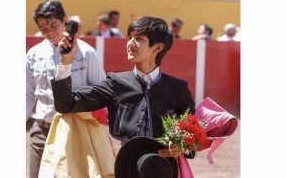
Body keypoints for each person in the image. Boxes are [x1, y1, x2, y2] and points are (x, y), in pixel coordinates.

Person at [51, 16, 196, 160]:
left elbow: (196, 134)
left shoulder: (178, 88)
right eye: (129, 38)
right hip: (127, 166)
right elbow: (65, 104)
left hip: (165, 169)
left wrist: (182, 146)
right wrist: (66, 61)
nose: (130, 44)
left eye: (139, 39)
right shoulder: (116, 83)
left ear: (158, 47)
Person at [26, 0, 108, 178]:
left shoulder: (86, 53)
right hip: (42, 129)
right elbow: (27, 94)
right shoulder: (33, 54)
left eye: (53, 25)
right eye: (43, 28)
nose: (49, 32)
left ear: (65, 21)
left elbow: (102, 90)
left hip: (76, 130)